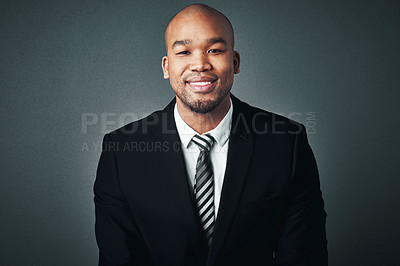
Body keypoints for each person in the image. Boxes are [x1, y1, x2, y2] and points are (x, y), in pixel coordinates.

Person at [94, 3, 328, 266]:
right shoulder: (121, 152)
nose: (200, 64)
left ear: (235, 61)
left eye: (214, 50)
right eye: (184, 52)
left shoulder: (287, 143)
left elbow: (304, 256)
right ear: (166, 67)